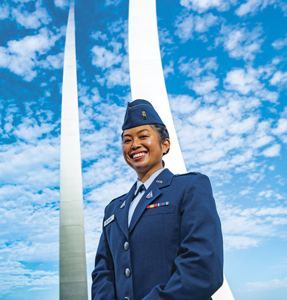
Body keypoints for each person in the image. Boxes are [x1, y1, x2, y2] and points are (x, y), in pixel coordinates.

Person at [91, 99, 223, 300]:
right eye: (127, 140)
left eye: (143, 136)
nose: (134, 145)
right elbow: (103, 272)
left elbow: (202, 268)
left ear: (165, 144)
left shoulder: (189, 188)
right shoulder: (113, 210)